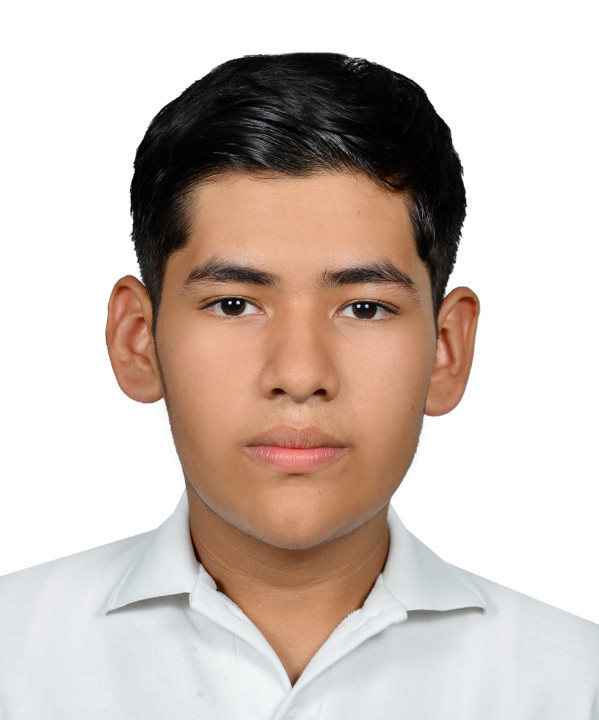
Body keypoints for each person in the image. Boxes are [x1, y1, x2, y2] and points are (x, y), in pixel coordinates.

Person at [0, 52, 597, 719]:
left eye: (364, 308)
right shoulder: (14, 660)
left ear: (445, 350)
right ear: (138, 339)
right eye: (234, 304)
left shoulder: (574, 686)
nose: (300, 375)